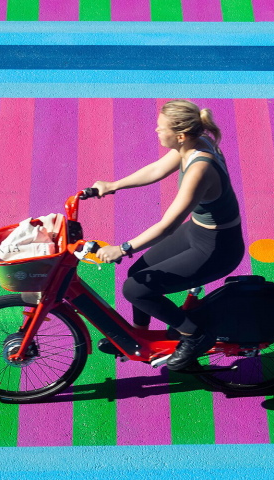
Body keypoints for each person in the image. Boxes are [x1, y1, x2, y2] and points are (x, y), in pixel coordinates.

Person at [92, 100, 245, 371]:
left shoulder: (200, 169)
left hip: (217, 248)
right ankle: (137, 338)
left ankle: (195, 335)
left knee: (135, 289)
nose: (156, 130)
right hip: (198, 231)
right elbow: (157, 170)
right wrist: (114, 185)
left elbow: (167, 226)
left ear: (181, 135)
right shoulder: (192, 145)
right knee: (138, 273)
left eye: (161, 127)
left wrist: (123, 248)